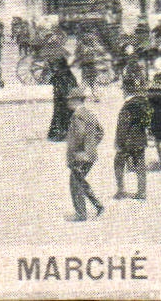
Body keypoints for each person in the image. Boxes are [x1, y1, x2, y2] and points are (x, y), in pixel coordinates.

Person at [64, 89, 106, 222]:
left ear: (77, 100)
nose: (67, 102)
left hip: (79, 156)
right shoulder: (89, 113)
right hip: (89, 156)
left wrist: (77, 152)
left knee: (75, 183)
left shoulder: (77, 116)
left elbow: (79, 135)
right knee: (80, 181)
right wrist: (91, 147)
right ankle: (98, 206)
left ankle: (81, 214)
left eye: (70, 99)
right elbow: (100, 132)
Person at [113, 78, 151, 201]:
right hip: (140, 139)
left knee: (118, 162)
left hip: (127, 140)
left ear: (126, 90)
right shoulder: (142, 102)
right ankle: (142, 192)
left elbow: (123, 125)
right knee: (140, 164)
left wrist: (119, 142)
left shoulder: (128, 105)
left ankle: (121, 190)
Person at [47, 55, 79, 141]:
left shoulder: (65, 75)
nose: (55, 68)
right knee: (60, 116)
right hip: (60, 99)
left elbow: (71, 88)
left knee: (63, 116)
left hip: (65, 99)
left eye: (57, 66)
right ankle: (59, 134)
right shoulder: (61, 75)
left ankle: (62, 134)